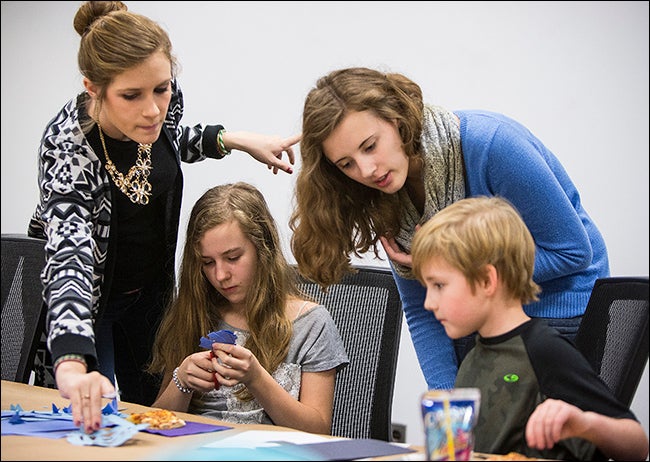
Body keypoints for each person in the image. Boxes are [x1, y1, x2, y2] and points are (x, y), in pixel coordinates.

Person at [27, 1, 299, 433]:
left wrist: (237, 140)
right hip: (90, 302)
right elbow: (70, 260)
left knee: (157, 422)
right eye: (132, 96)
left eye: (162, 88)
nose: (153, 109)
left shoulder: (159, 108)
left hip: (150, 293)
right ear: (93, 88)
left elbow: (168, 144)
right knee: (86, 427)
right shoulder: (69, 148)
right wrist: (72, 364)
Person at [289, 66, 610, 391]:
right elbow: (420, 308)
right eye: (346, 164)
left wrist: (449, 267)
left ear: (396, 120)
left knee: (500, 433)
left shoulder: (492, 145)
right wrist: (446, 401)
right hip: (476, 315)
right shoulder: (382, 190)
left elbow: (571, 252)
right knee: (459, 426)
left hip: (557, 310)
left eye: (370, 146)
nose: (366, 169)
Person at [410, 196, 648, 461]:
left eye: (439, 286)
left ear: (488, 280)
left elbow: (636, 445)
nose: (428, 303)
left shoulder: (543, 350)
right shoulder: (474, 355)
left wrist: (584, 423)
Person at [147, 182, 349, 434]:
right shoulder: (194, 311)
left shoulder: (311, 323)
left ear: (263, 250)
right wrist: (181, 381)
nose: (220, 275)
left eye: (233, 258)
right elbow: (154, 424)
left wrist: (256, 379)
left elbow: (318, 431)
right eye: (207, 262)